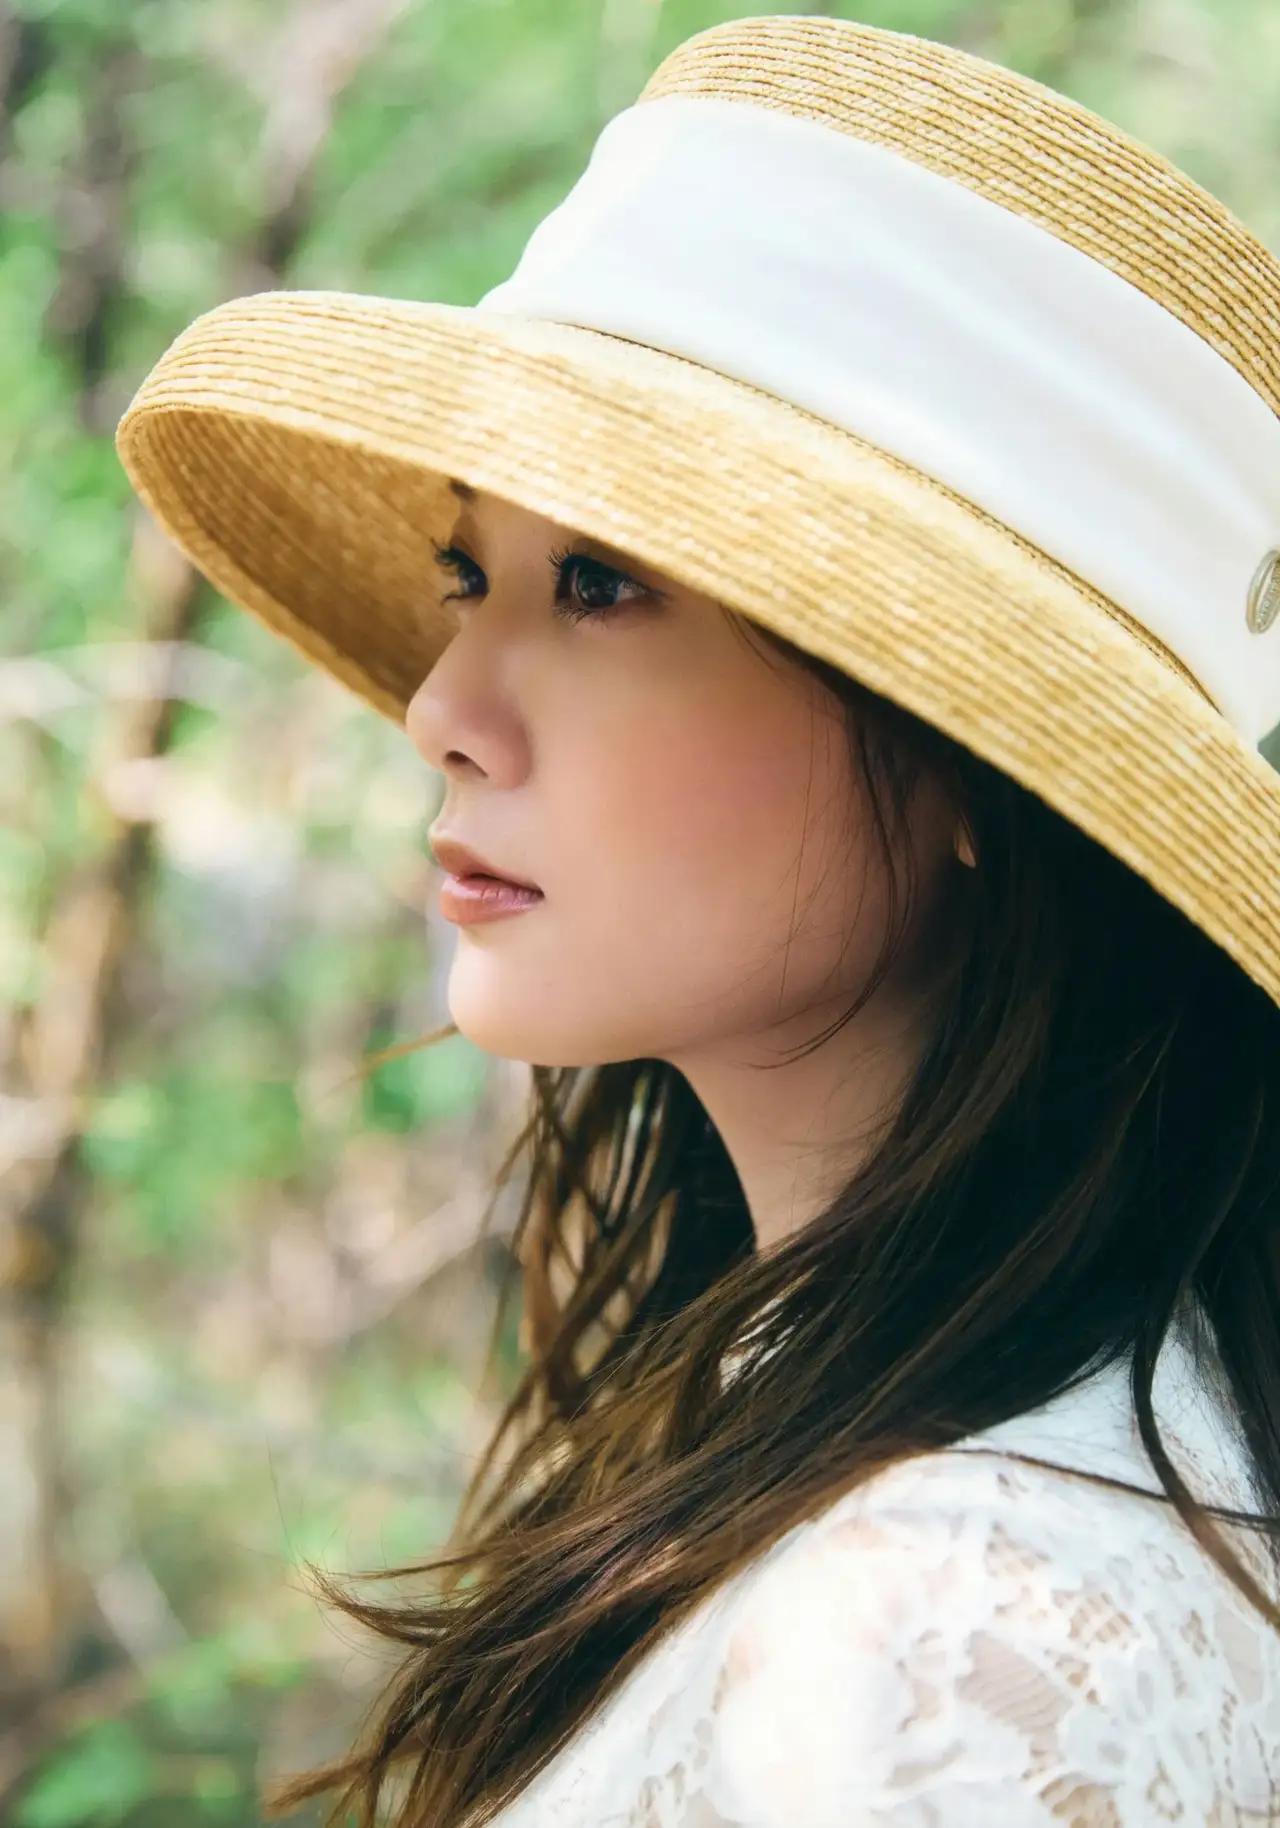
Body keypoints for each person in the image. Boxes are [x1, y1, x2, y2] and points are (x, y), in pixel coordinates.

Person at [114, 13, 1280, 1827]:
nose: (440, 707)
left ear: (977, 761)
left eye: (598, 585)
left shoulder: (957, 1631)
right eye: (466, 572)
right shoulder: (890, 1436)